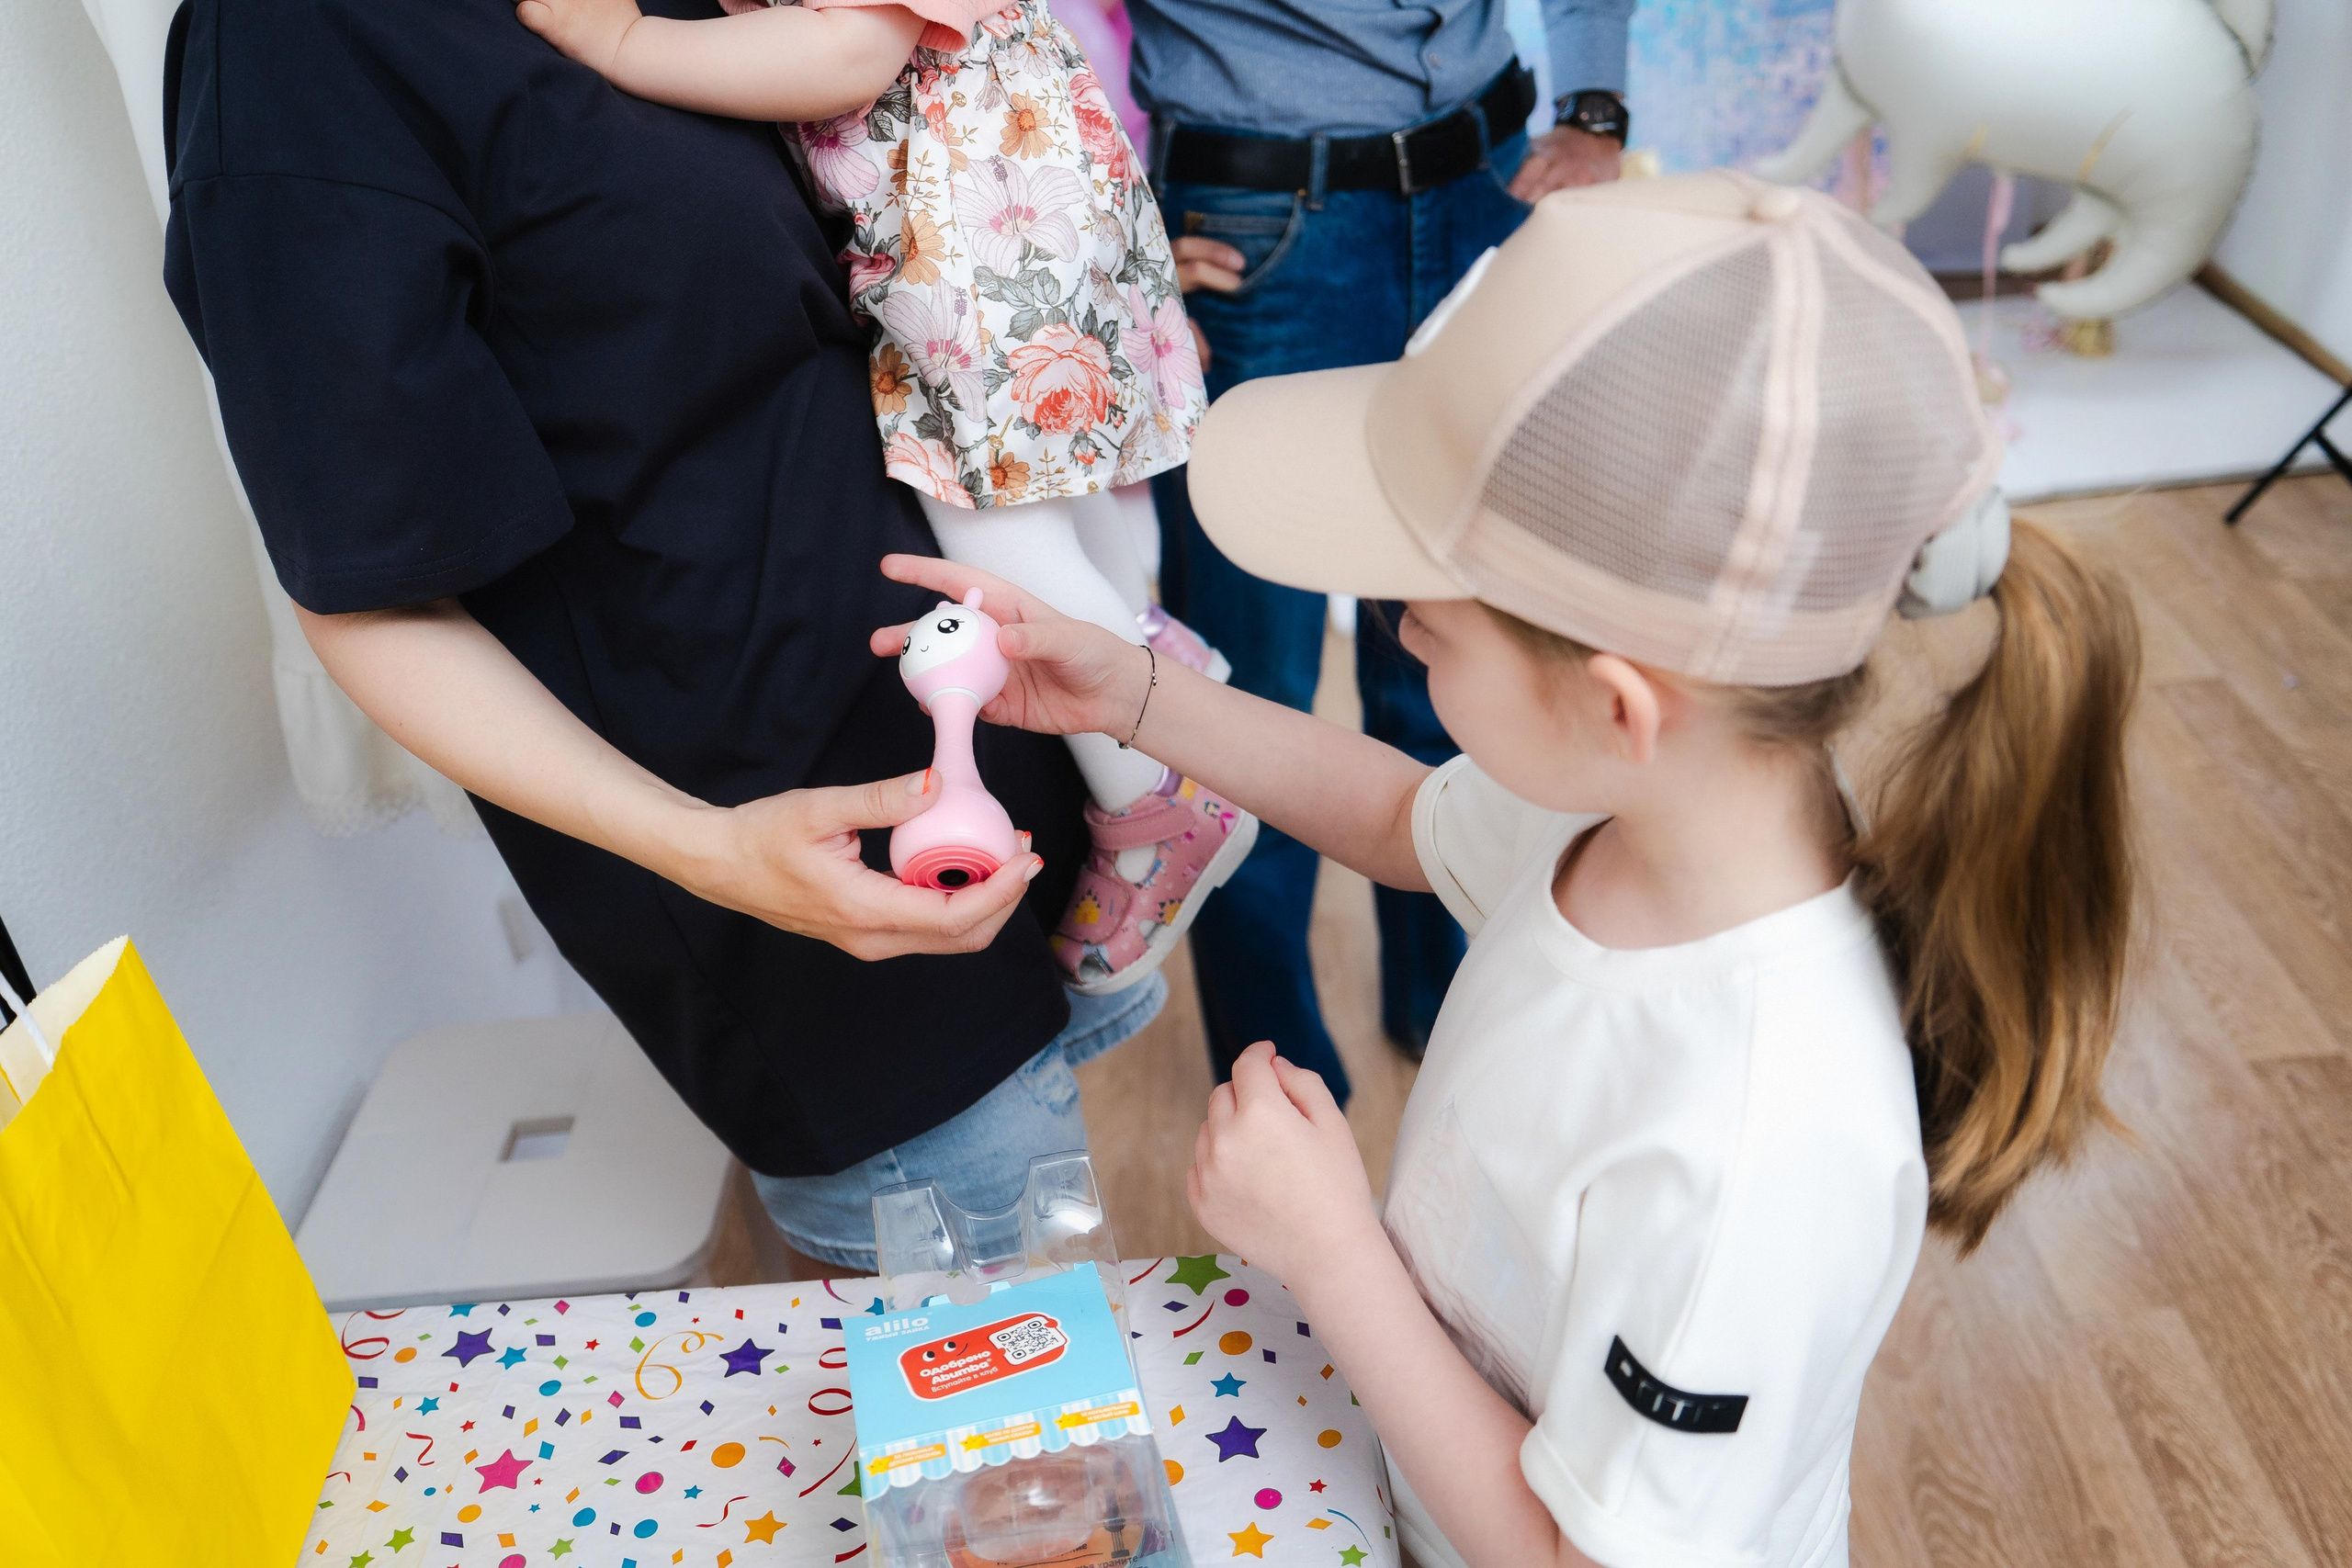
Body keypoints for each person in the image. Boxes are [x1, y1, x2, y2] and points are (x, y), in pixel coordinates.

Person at [868, 173, 2140, 1566]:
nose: (1398, 625)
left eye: (1431, 616)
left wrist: (1335, 1252)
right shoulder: (1649, 815)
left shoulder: (1768, 1132)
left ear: (1616, 703)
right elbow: (1406, 815)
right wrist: (1133, 693)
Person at [158, 0, 1168, 1274]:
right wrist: (711, 852)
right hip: (824, 915)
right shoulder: (298, 55)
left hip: (1001, 778)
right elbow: (369, 597)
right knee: (1016, 1449)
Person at [514, 0, 1260, 999]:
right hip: (1012, 189)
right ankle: (1160, 664)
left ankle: (1161, 795)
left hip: (977, 224)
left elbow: (850, 50)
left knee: (988, 528)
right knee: (1048, 486)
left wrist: (625, 46)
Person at [1128, 0, 1638, 1090]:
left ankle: (1457, 1003)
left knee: (1471, 650)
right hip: (1262, 221)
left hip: (1490, 184)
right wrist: (1098, 233)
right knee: (1248, 691)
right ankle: (1275, 1081)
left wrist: (1595, 104)